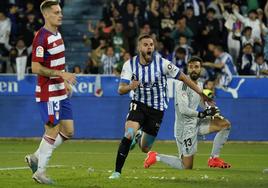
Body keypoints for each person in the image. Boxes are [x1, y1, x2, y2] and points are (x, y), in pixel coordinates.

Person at [109, 34, 212, 179]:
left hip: (157, 110)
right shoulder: (129, 65)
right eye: (145, 44)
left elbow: (183, 77)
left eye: (151, 44)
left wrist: (201, 92)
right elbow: (121, 89)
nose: (149, 47)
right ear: (139, 47)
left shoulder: (163, 64)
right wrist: (130, 87)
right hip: (138, 104)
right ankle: (117, 172)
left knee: (145, 148)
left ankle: (138, 136)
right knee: (128, 134)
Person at [144, 56, 231, 170]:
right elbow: (183, 110)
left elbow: (200, 102)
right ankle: (156, 156)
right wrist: (203, 114)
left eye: (196, 67)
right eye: (191, 67)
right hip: (184, 129)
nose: (193, 69)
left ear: (201, 69)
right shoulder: (183, 86)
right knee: (186, 166)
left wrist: (211, 111)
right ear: (187, 69)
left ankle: (214, 158)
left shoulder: (198, 85)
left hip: (196, 122)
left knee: (225, 124)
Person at [24, 0, 76, 184]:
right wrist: (60, 74)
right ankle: (40, 172)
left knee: (68, 131)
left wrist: (64, 80)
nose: (60, 15)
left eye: (60, 11)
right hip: (48, 92)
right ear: (46, 15)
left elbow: (58, 64)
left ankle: (36, 157)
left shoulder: (58, 34)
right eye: (55, 12)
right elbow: (36, 67)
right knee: (52, 130)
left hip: (60, 89)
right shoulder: (41, 37)